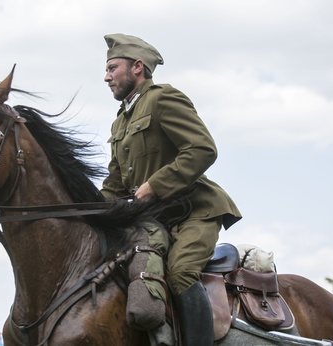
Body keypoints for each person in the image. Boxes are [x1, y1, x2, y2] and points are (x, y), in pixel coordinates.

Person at [100, 33, 242, 346]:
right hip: (155, 219)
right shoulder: (119, 122)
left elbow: (202, 149)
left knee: (179, 274)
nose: (106, 76)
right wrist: (89, 212)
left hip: (196, 211)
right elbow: (114, 183)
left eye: (112, 68)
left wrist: (155, 185)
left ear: (137, 67)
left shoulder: (163, 98)